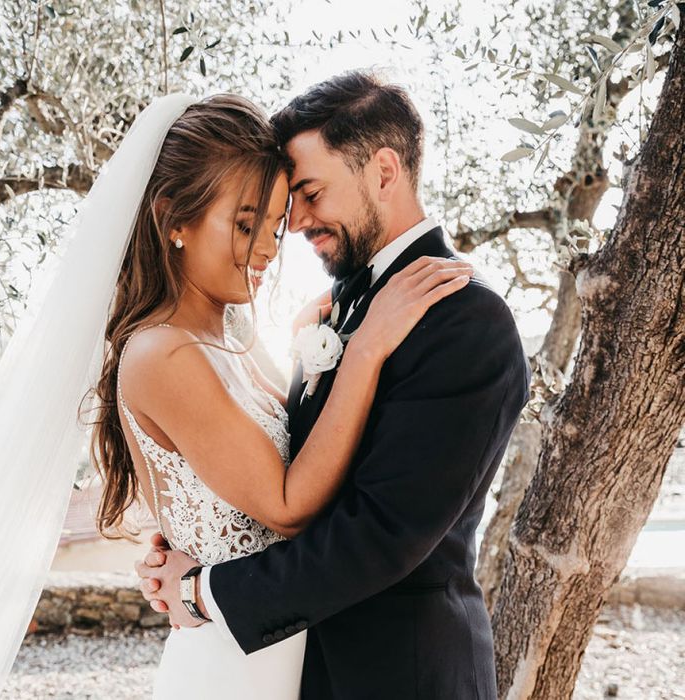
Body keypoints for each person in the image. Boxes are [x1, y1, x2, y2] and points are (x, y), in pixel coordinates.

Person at [136, 71, 532, 699]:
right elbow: (291, 469)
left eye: (311, 193)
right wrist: (201, 527)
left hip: (402, 677)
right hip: (300, 668)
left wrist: (204, 589)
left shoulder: (464, 320)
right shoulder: (339, 309)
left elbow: (377, 535)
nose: (295, 223)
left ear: (382, 171)